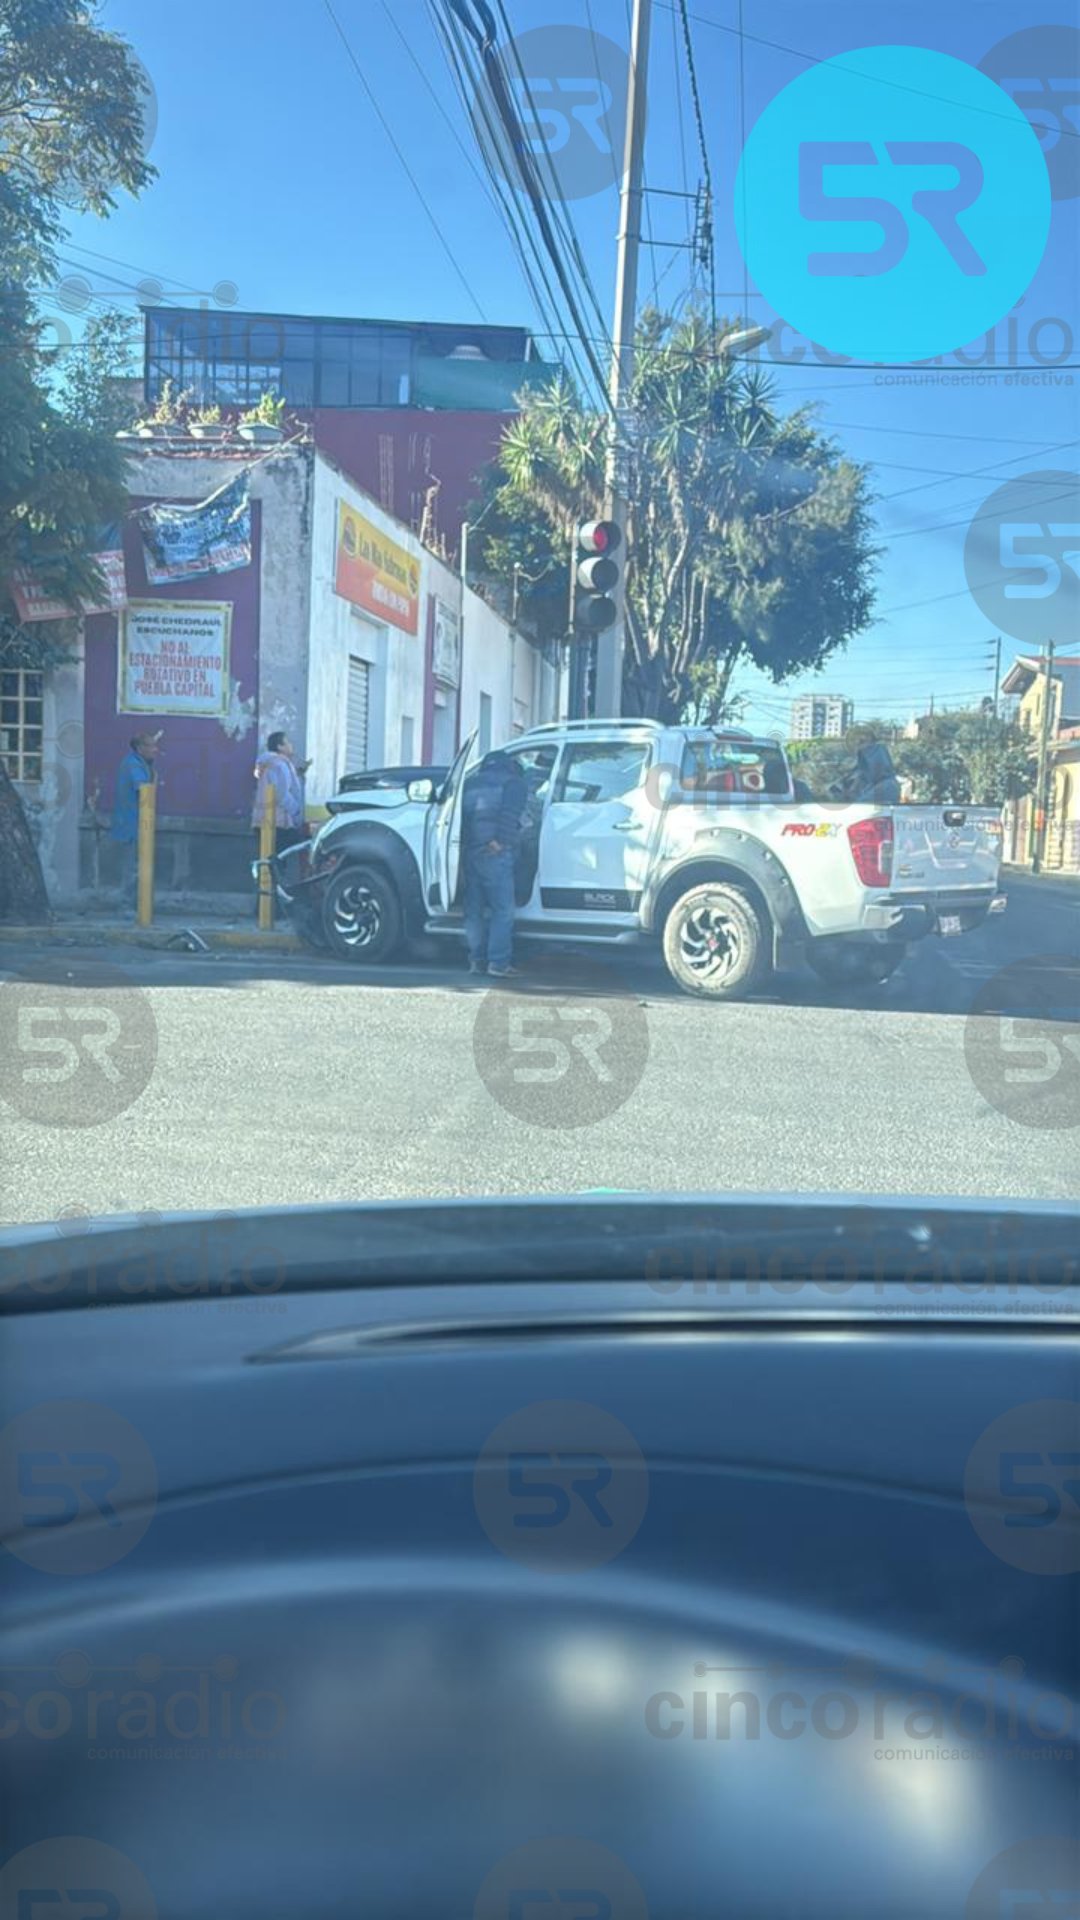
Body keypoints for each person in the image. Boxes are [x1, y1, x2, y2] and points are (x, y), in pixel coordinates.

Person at [461, 749, 527, 978]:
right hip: (495, 854)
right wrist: (500, 842)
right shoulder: (513, 784)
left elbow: (464, 818)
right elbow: (510, 816)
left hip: (472, 853)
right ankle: (498, 963)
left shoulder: (469, 784)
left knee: (474, 911)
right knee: (503, 911)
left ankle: (476, 961)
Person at [111, 732, 159, 910]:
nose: (156, 749)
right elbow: (143, 788)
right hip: (132, 823)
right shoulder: (133, 765)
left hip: (138, 822)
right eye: (152, 746)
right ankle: (127, 906)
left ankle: (137, 905)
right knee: (132, 868)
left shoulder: (139, 763)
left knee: (138, 867)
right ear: (140, 748)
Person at [252, 732, 309, 857]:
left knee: (269, 862)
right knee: (281, 860)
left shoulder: (267, 763)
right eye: (287, 742)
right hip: (279, 822)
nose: (291, 745)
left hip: (264, 820)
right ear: (280, 747)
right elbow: (282, 793)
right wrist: (296, 810)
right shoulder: (279, 765)